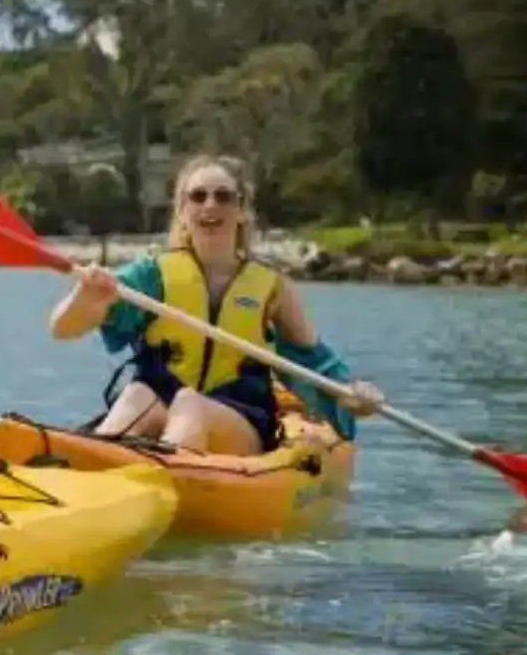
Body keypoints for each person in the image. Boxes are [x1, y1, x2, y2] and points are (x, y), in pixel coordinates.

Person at [47, 154, 383, 456]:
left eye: (223, 196)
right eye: (198, 196)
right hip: (159, 404)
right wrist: (85, 297)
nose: (210, 205)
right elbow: (63, 328)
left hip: (238, 418)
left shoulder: (272, 288)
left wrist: (351, 395)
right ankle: (93, 473)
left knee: (190, 403)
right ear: (182, 210)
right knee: (137, 395)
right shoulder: (151, 275)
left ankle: (166, 479)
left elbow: (317, 365)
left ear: (241, 211)